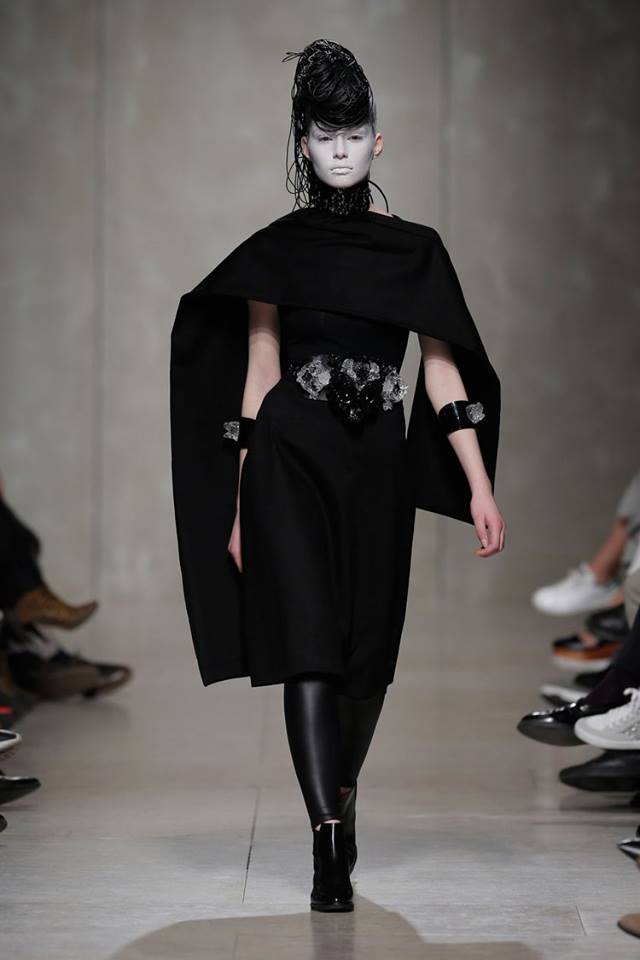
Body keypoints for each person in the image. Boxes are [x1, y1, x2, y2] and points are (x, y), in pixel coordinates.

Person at [169, 39, 505, 912]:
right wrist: (239, 498)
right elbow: (260, 370)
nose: (343, 151)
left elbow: (441, 371)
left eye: (356, 135)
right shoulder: (275, 253)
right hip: (288, 459)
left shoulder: (413, 252)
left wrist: (477, 483)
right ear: (304, 143)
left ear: (378, 141)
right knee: (309, 645)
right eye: (327, 136)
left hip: (376, 468)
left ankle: (341, 795)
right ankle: (325, 837)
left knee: (367, 657)